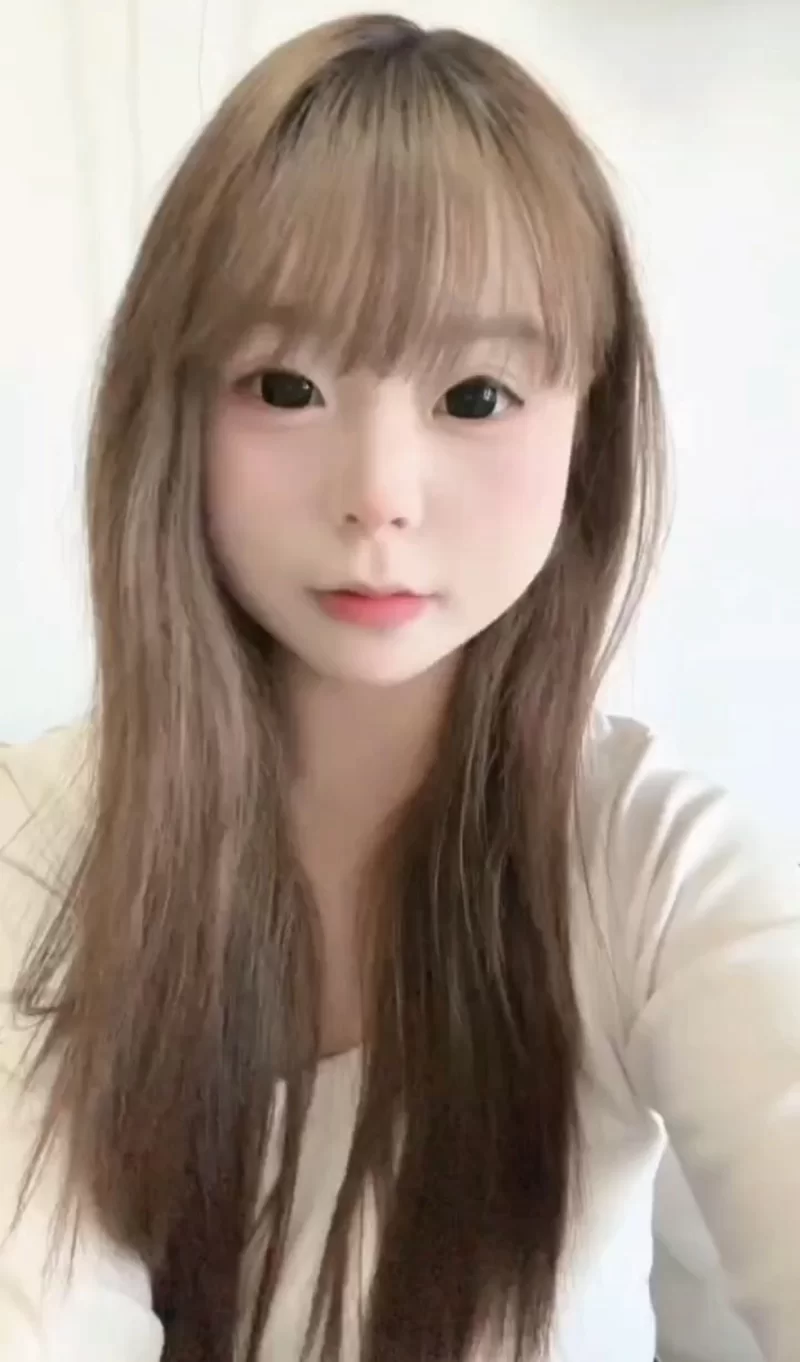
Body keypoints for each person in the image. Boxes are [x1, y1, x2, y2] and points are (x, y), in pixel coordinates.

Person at [0, 13, 797, 1362]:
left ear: (590, 425)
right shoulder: (36, 849)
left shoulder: (655, 871)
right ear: (171, 405)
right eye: (284, 384)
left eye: (476, 397)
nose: (379, 494)